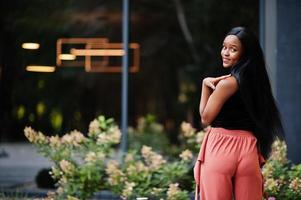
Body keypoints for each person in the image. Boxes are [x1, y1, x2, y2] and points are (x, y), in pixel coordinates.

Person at [193, 27, 284, 200]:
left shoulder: (227, 84)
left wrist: (205, 85)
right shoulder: (258, 84)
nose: (226, 53)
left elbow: (205, 118)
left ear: (245, 54)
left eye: (233, 49)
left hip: (220, 147)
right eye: (224, 47)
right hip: (248, 149)